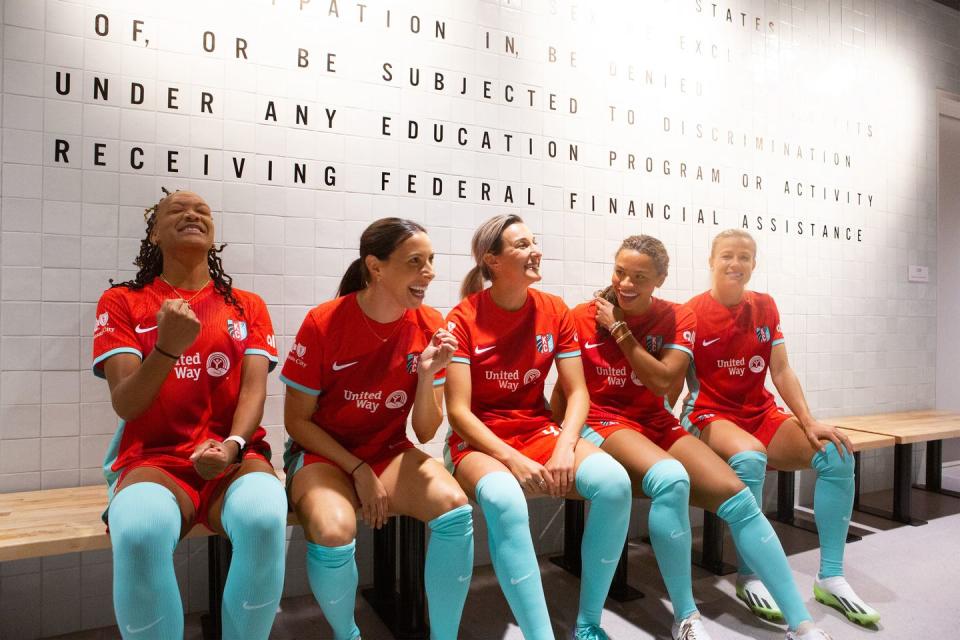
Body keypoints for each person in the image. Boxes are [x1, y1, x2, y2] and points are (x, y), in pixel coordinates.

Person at [554, 234, 835, 640]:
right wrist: (562, 443)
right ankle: (686, 617)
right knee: (672, 479)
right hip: (603, 420)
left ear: (660, 280)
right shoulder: (580, 316)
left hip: (654, 420)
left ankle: (802, 624)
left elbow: (665, 379)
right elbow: (564, 392)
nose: (626, 284)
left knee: (738, 497)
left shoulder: (677, 316)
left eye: (639, 276)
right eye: (620, 272)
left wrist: (619, 329)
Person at [93, 189, 287, 639]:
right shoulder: (122, 302)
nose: (192, 214)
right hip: (154, 460)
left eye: (202, 210)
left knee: (264, 518)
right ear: (155, 232)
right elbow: (127, 402)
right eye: (176, 210)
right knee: (139, 532)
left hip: (233, 459)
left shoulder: (248, 305)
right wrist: (166, 348)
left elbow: (253, 391)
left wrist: (234, 446)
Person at [280, 218, 474, 640]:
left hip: (387, 449)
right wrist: (357, 470)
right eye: (415, 262)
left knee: (455, 508)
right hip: (323, 454)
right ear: (376, 266)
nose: (430, 272)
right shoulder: (324, 322)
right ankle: (348, 635)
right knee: (334, 531)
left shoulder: (429, 325)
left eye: (431, 261)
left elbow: (425, 431)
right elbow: (296, 421)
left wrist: (426, 376)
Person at [443, 214, 632, 640]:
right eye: (523, 245)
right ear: (492, 260)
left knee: (615, 484)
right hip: (478, 441)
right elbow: (459, 413)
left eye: (534, 241)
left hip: (537, 430)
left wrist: (566, 447)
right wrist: (511, 459)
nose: (536, 251)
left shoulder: (553, 310)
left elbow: (578, 393)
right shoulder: (462, 317)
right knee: (508, 499)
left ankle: (588, 623)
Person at [682, 228, 879, 627]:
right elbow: (672, 381)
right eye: (727, 256)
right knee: (749, 456)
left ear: (754, 264)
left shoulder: (766, 307)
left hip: (758, 412)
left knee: (836, 453)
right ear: (711, 260)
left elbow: (781, 369)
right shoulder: (689, 313)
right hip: (708, 414)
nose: (735, 264)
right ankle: (749, 576)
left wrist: (808, 421)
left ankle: (831, 576)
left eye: (744, 257)